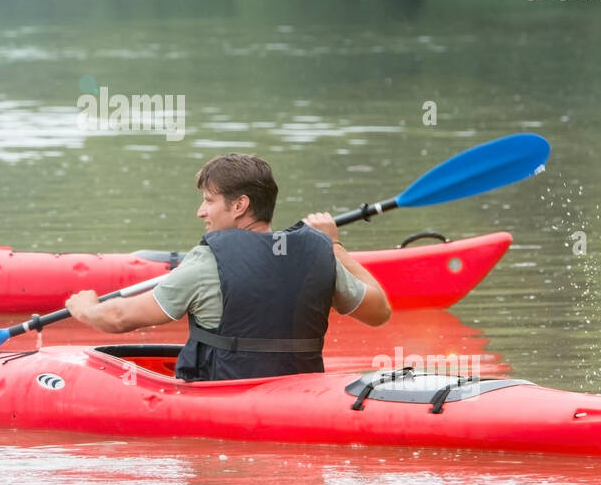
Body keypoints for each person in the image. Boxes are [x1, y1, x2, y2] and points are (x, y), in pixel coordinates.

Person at [66, 153, 390, 381]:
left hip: (226, 397)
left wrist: (87, 309)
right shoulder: (317, 253)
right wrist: (334, 244)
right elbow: (380, 313)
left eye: (208, 200)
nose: (200, 211)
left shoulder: (207, 261)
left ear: (239, 205)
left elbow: (120, 318)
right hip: (302, 395)